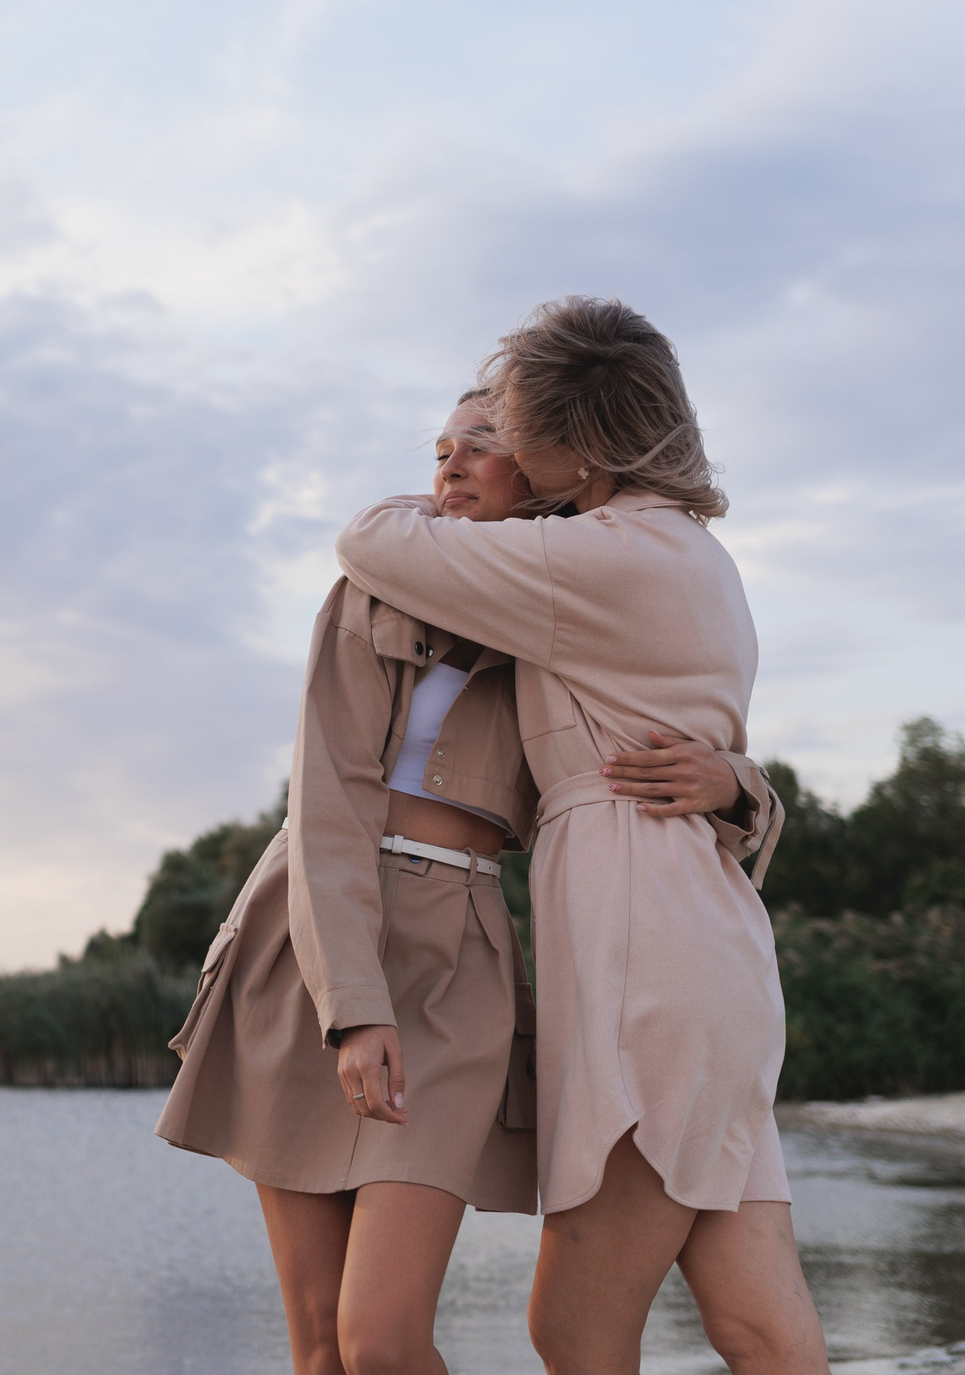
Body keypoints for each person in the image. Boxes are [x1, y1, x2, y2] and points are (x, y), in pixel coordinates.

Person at [158, 392, 752, 1375]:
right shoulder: (370, 588)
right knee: (322, 1349)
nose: (449, 462)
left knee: (381, 1342)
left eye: (481, 444)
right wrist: (353, 1006)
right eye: (439, 448)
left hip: (457, 963)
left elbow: (682, 713)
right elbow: (328, 799)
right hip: (315, 937)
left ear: (549, 463)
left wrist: (734, 781)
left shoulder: (583, 606)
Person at [335, 298, 828, 1375]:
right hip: (714, 950)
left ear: (581, 445)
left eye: (520, 430)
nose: (505, 451)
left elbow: (371, 540)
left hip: (640, 951)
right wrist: (741, 783)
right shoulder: (699, 558)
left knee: (574, 1329)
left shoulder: (591, 558)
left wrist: (453, 491)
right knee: (757, 1325)